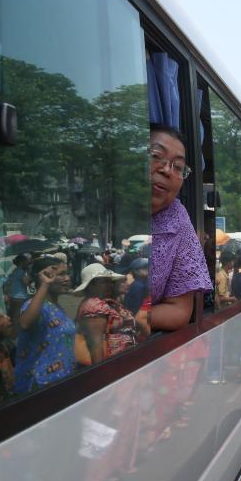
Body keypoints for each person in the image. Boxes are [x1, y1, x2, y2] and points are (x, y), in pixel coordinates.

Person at [147, 124, 213, 331]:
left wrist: (129, 318)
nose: (167, 170)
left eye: (177, 167)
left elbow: (180, 310)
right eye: (156, 156)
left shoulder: (178, 221)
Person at [14, 257, 77, 394]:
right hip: (41, 386)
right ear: (44, 277)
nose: (67, 278)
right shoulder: (34, 306)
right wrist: (45, 284)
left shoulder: (56, 306)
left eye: (67, 273)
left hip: (62, 382)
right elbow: (25, 323)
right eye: (61, 274)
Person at [74, 263, 139, 365]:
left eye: (110, 281)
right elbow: (96, 345)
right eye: (104, 282)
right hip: (113, 364)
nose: (110, 285)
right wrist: (101, 370)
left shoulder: (104, 302)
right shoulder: (93, 306)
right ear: (91, 285)